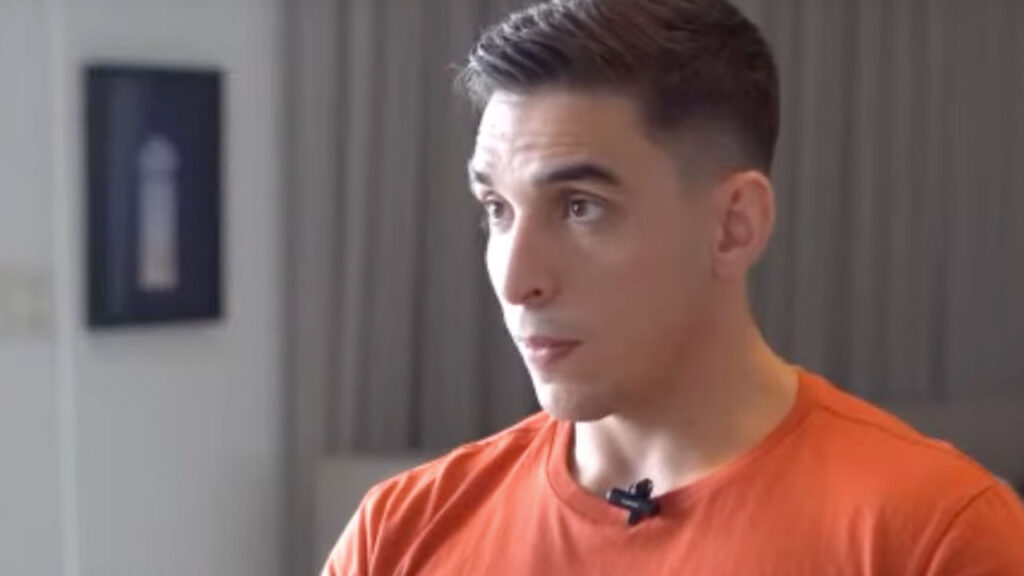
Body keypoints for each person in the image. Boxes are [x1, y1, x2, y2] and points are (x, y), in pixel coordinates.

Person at [322, 0, 1024, 573]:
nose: (515, 279)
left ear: (734, 226)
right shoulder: (398, 534)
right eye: (496, 210)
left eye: (580, 207)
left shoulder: (937, 537)